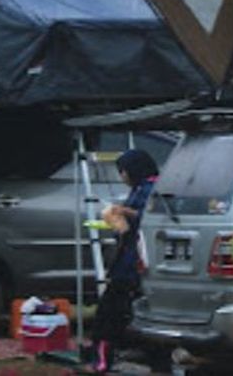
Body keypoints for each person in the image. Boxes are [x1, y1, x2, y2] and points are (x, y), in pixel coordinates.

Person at [92, 149, 158, 372]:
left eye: (123, 172)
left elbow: (145, 217)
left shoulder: (150, 188)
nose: (122, 177)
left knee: (110, 312)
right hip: (130, 260)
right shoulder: (141, 187)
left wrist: (121, 212)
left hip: (133, 263)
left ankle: (104, 358)